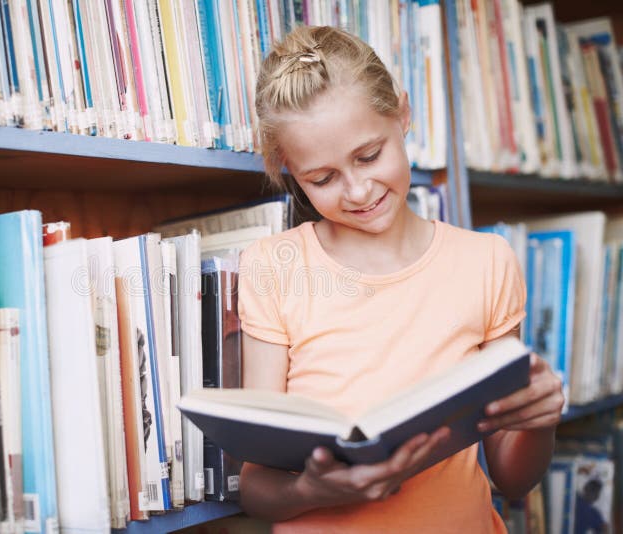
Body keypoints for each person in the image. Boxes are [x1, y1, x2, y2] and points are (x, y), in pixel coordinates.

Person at [236, 26, 565, 532]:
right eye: (321, 179)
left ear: (403, 115)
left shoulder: (486, 261)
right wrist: (311, 489)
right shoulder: (273, 266)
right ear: (288, 169)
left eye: (369, 155)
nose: (358, 189)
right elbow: (256, 487)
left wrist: (538, 422)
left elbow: (512, 477)